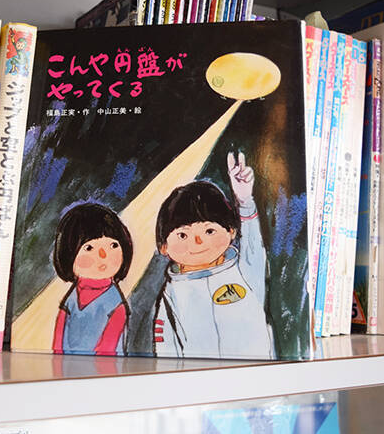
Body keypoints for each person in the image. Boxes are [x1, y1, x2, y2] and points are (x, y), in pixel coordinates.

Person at [153, 152, 274, 359]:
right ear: (164, 247)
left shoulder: (244, 269)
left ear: (231, 231)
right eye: (183, 235)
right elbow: (165, 344)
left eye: (209, 231)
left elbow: (253, 243)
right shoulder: (172, 291)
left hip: (254, 371)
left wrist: (245, 201)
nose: (197, 242)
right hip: (198, 376)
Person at [52, 203, 132, 355]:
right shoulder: (71, 298)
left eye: (113, 245)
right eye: (89, 248)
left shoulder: (115, 304)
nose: (103, 255)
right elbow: (58, 341)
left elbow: (107, 350)